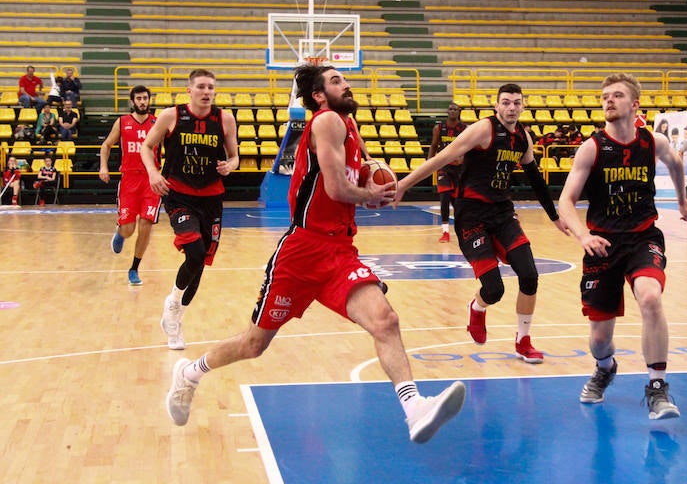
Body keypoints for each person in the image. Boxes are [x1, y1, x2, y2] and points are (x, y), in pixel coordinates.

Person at [164, 64, 466, 444]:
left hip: (340, 250)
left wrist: (376, 183)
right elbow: (339, 189)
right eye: (337, 80)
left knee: (385, 320)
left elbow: (360, 177)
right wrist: (368, 195)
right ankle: (190, 373)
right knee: (254, 345)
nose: (348, 84)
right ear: (320, 95)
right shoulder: (325, 122)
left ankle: (414, 408)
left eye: (346, 78)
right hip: (302, 251)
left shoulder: (350, 126)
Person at [394, 82, 569, 364]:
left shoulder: (523, 138)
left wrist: (554, 216)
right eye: (506, 102)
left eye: (516, 103)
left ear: (523, 106)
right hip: (472, 214)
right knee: (494, 290)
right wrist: (403, 184)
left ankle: (523, 341)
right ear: (496, 106)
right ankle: (477, 307)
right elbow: (442, 157)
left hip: (502, 213)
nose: (511, 107)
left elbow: (535, 179)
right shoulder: (482, 129)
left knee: (529, 274)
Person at [556, 72, 687, 420]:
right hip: (601, 245)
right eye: (604, 96)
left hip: (642, 237)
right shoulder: (592, 147)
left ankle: (657, 386)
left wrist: (682, 201)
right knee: (599, 339)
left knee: (650, 297)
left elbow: (676, 164)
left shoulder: (652, 142)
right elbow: (566, 202)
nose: (608, 101)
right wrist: (583, 236)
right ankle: (605, 368)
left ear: (634, 105)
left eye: (616, 95)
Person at [141, 69, 239, 350]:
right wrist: (152, 173)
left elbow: (234, 156)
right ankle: (173, 303)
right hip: (178, 194)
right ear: (189, 90)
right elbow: (147, 147)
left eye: (211, 87)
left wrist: (230, 165)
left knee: (200, 263)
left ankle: (176, 319)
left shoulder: (225, 119)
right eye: (201, 87)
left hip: (212, 197)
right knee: (193, 251)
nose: (206, 92)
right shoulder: (171, 116)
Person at [99, 85, 160, 286]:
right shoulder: (122, 122)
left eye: (145, 98)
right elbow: (106, 144)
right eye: (139, 98)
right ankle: (120, 233)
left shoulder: (157, 123)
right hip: (129, 180)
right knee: (129, 229)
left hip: (151, 180)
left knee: (146, 226)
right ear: (132, 101)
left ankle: (134, 268)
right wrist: (104, 167)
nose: (142, 102)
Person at [427, 102, 466, 242]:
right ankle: (445, 232)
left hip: (460, 169)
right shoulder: (439, 128)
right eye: (450, 109)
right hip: (444, 167)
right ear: (447, 111)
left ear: (459, 111)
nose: (452, 111)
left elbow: (468, 148)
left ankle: (462, 230)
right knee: (444, 198)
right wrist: (429, 164)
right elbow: (433, 146)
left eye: (455, 109)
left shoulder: (464, 128)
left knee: (458, 202)